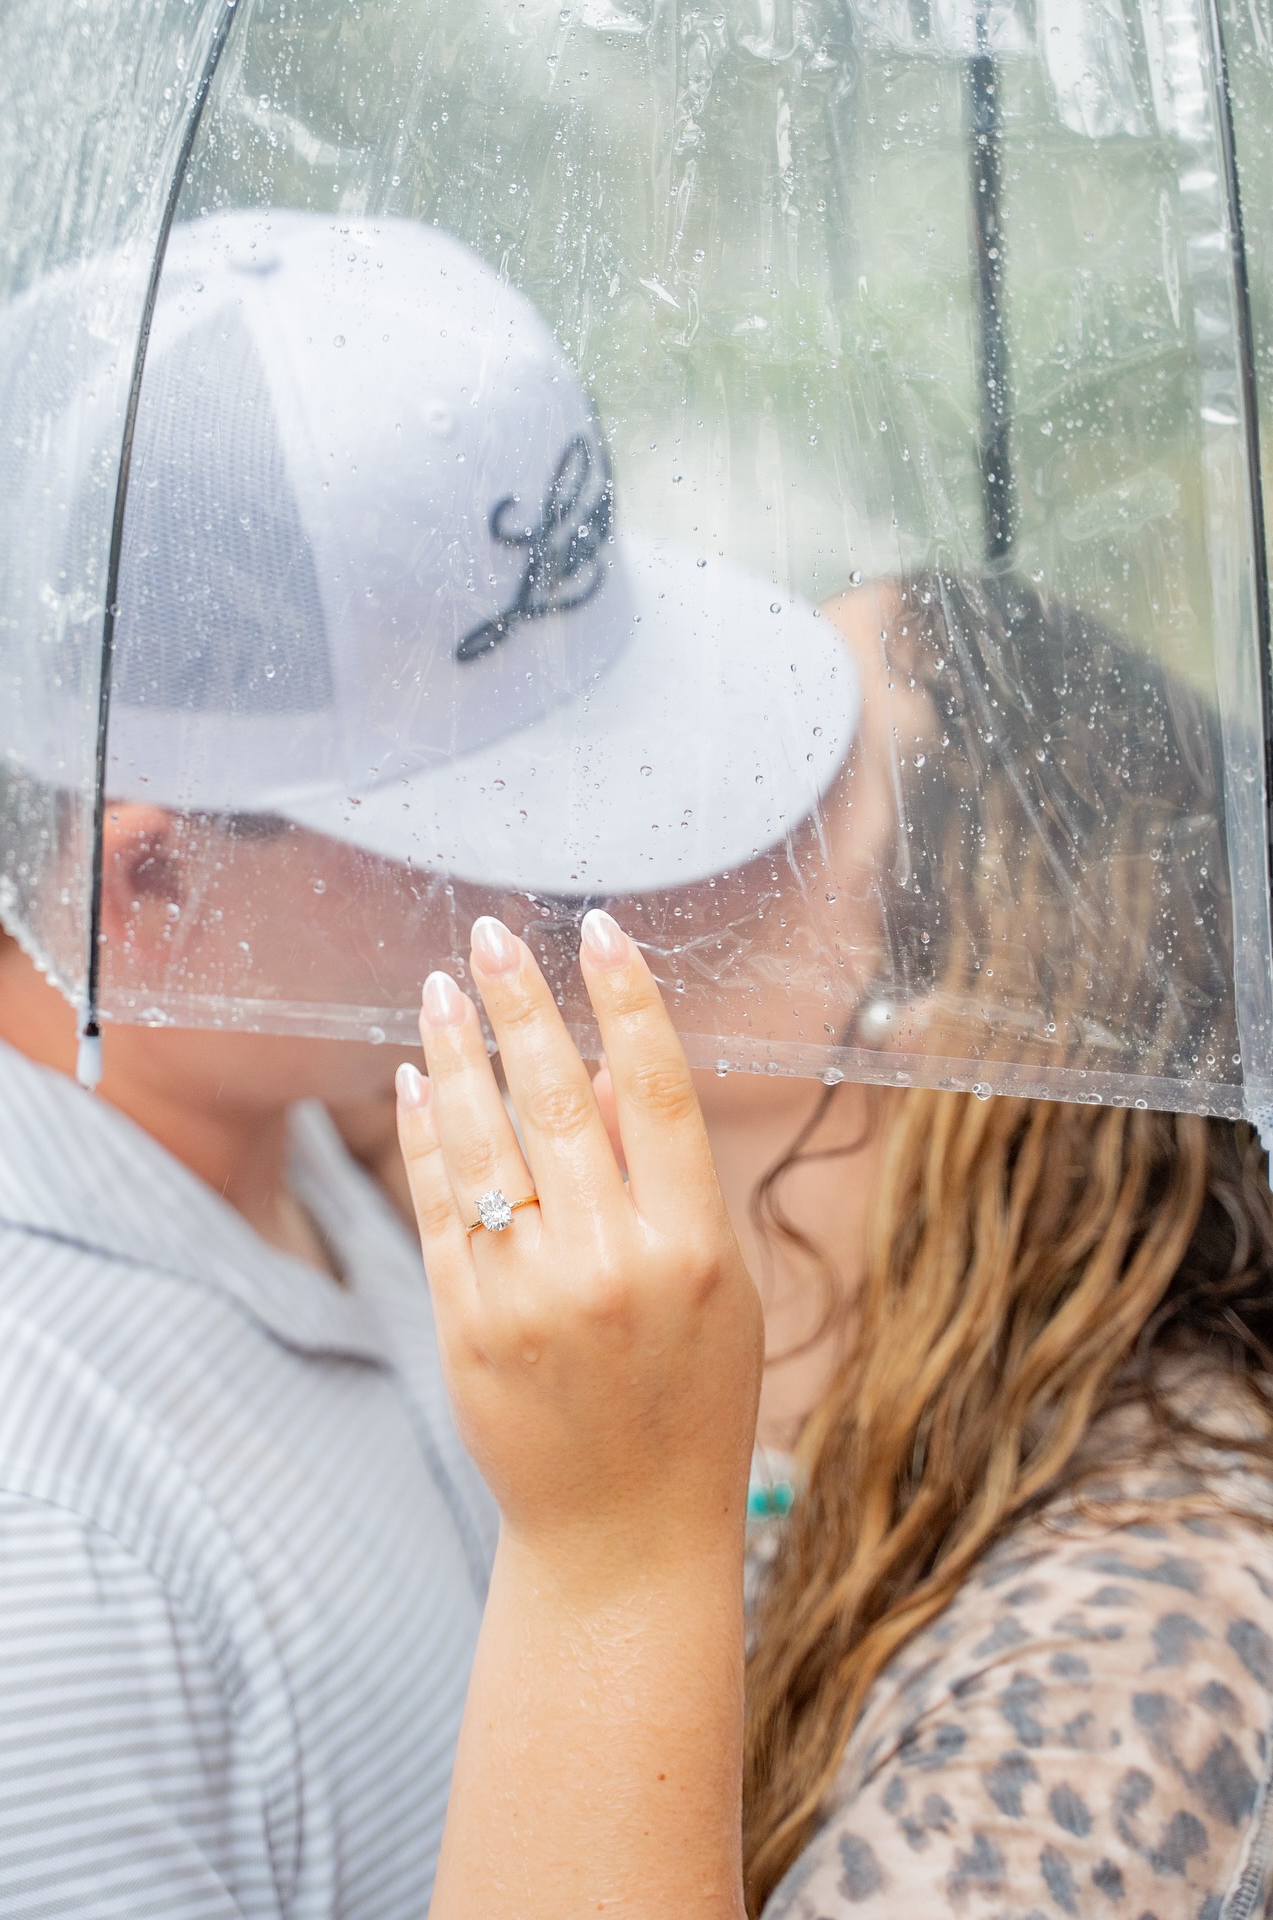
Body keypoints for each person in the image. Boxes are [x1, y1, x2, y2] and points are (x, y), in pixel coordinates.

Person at [0, 208, 857, 1917]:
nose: (564, 873)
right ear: (151, 884)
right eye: (485, 808)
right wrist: (616, 1549)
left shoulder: (235, 1098)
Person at [395, 571, 1273, 1919]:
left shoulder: (1140, 1629)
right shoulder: (829, 1430)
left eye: (786, 754)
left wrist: (609, 1554)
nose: (651, 790)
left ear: (965, 975)